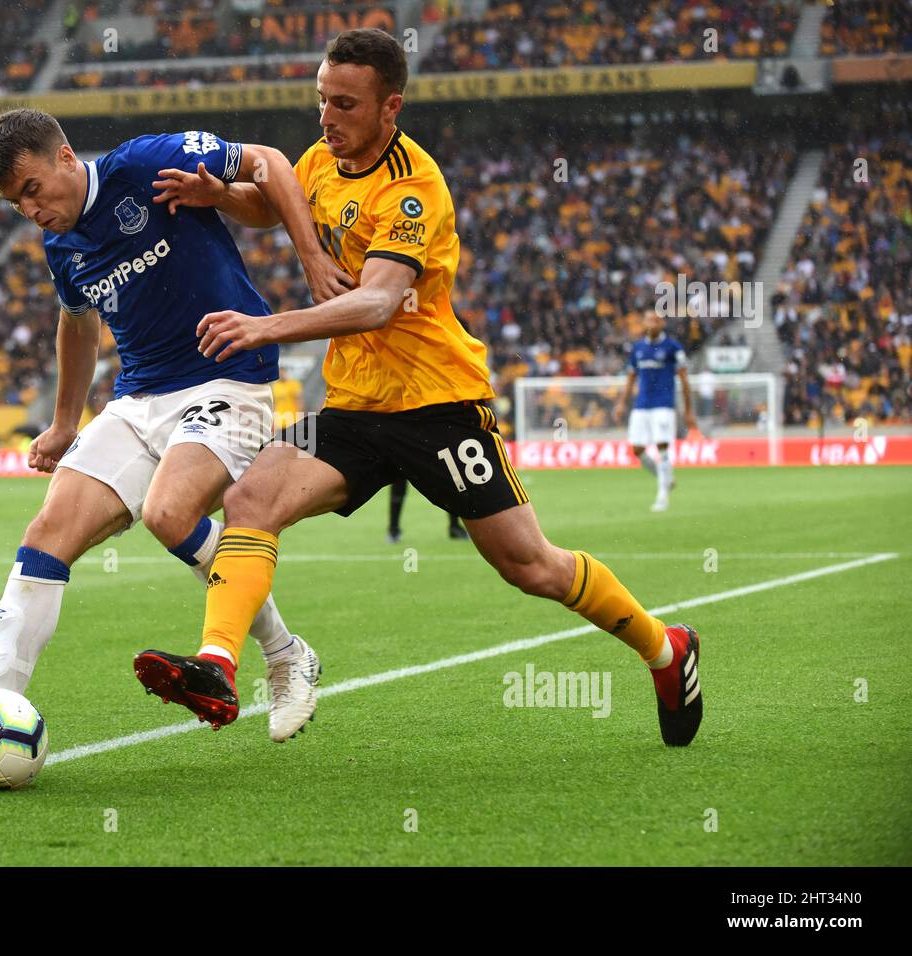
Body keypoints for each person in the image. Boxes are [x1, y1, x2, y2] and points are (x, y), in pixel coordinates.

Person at [138, 28, 703, 747]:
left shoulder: (413, 187)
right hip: (352, 407)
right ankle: (219, 663)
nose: (326, 118)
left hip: (438, 406)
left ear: (390, 108)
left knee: (531, 566)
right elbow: (281, 203)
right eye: (320, 100)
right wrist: (219, 192)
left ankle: (665, 648)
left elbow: (376, 302)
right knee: (251, 498)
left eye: (344, 104)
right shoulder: (323, 159)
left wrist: (264, 326)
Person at [0, 109, 354, 750]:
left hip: (228, 378)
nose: (31, 209)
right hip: (137, 400)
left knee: (170, 513)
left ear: (64, 156)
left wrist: (310, 258)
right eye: (14, 203)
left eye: (32, 189)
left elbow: (270, 163)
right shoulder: (59, 245)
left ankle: (284, 655)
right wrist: (62, 423)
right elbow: (76, 323)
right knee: (45, 537)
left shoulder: (142, 164)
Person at [615, 312, 697, 512]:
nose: (652, 323)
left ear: (662, 324)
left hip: (663, 404)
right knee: (637, 449)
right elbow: (631, 378)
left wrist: (688, 410)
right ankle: (666, 478)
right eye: (648, 320)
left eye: (656, 320)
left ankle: (662, 496)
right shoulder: (638, 348)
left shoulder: (672, 347)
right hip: (642, 405)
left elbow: (684, 380)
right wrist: (621, 403)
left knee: (662, 447)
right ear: (643, 323)